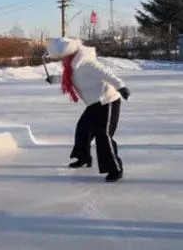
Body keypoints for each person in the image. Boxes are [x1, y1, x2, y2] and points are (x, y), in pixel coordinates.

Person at [46, 37, 130, 182]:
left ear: (70, 54)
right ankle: (83, 158)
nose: (62, 59)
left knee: (103, 135)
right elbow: (71, 78)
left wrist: (121, 86)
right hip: (93, 104)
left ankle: (115, 169)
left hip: (107, 100)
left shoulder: (86, 63)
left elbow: (106, 73)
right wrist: (55, 79)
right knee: (83, 129)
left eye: (64, 56)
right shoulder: (72, 65)